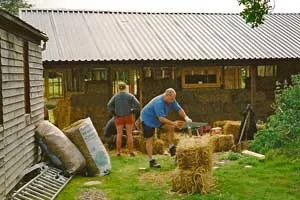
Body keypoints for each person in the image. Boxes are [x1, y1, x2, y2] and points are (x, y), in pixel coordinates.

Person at [140, 88, 192, 168]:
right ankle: (151, 161)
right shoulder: (159, 103)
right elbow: (161, 119)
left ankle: (171, 148)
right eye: (171, 99)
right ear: (167, 95)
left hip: (158, 118)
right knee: (149, 140)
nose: (172, 101)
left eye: (173, 99)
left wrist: (186, 117)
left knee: (170, 127)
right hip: (148, 119)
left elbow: (179, 109)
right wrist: (174, 123)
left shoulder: (171, 99)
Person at [107, 82, 140, 156]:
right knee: (129, 134)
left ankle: (118, 152)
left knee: (119, 134)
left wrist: (114, 113)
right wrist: (133, 110)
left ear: (118, 88)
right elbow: (137, 104)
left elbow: (109, 105)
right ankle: (131, 151)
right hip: (128, 116)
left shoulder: (115, 96)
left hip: (118, 117)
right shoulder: (130, 96)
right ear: (125, 87)